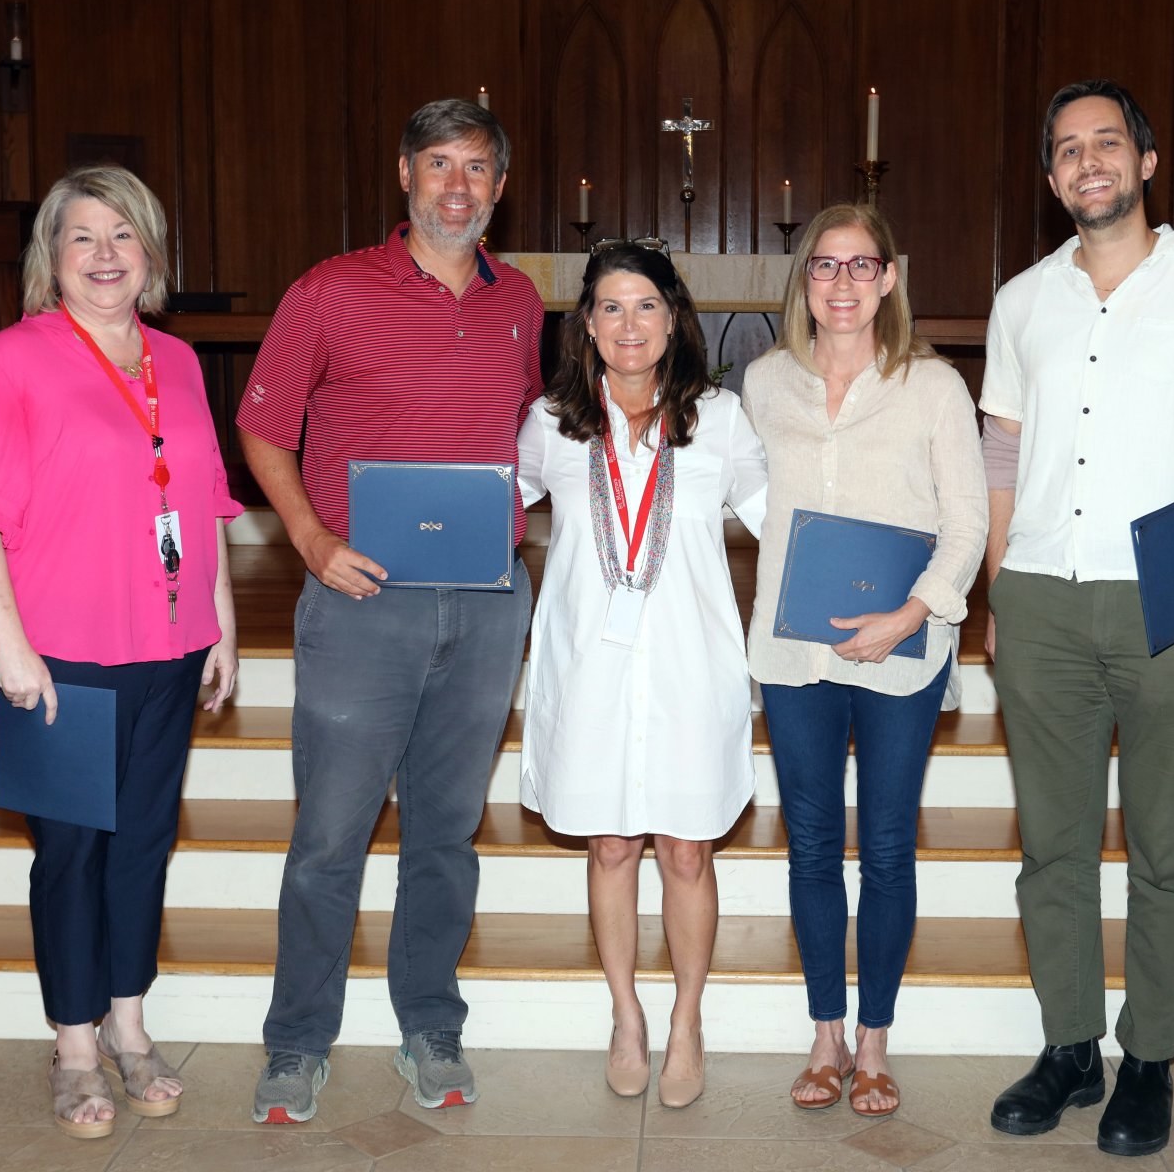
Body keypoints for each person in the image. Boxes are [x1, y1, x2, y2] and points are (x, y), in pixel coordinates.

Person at [980, 79, 1174, 1158]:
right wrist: (997, 585)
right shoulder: (1022, 301)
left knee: (1162, 849)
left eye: (1108, 142)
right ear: (1052, 175)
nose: (1088, 161)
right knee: (1051, 849)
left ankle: (1148, 1057)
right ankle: (1070, 1048)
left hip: (1173, 599)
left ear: (1146, 162)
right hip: (1043, 597)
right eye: (1068, 148)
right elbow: (1004, 453)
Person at [239, 99, 543, 1124]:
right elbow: (263, 427)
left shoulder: (522, 300)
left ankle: (429, 1022)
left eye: (477, 169)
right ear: (405, 176)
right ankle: (294, 1040)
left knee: (447, 833)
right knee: (330, 834)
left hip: (489, 602)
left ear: (500, 188)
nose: (457, 187)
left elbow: (530, 430)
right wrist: (313, 542)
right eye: (439, 166)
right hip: (362, 600)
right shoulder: (329, 290)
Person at [0, 164, 242, 1139]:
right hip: (57, 651)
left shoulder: (180, 361)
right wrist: (12, 650)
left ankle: (130, 1022)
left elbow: (203, 504)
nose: (105, 254)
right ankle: (74, 1044)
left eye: (124, 234)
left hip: (166, 640)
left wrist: (221, 619)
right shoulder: (9, 362)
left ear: (149, 251)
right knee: (70, 853)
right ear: (51, 257)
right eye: (82, 236)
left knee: (143, 843)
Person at [741, 203, 987, 1118]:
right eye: (823, 266)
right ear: (804, 280)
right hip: (793, 647)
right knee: (810, 845)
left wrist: (910, 612)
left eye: (860, 265)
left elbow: (967, 521)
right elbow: (743, 498)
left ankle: (876, 1043)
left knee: (885, 847)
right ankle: (824, 1035)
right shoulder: (764, 384)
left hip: (902, 649)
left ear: (889, 277)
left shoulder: (932, 387)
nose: (841, 283)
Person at [516, 243, 767, 1109]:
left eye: (647, 307)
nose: (630, 325)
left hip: (692, 665)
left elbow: (782, 524)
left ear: (674, 318)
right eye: (611, 308)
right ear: (586, 322)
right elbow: (493, 513)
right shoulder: (552, 422)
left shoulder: (721, 419)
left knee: (688, 851)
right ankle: (626, 1015)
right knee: (613, 843)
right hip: (591, 664)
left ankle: (688, 1019)